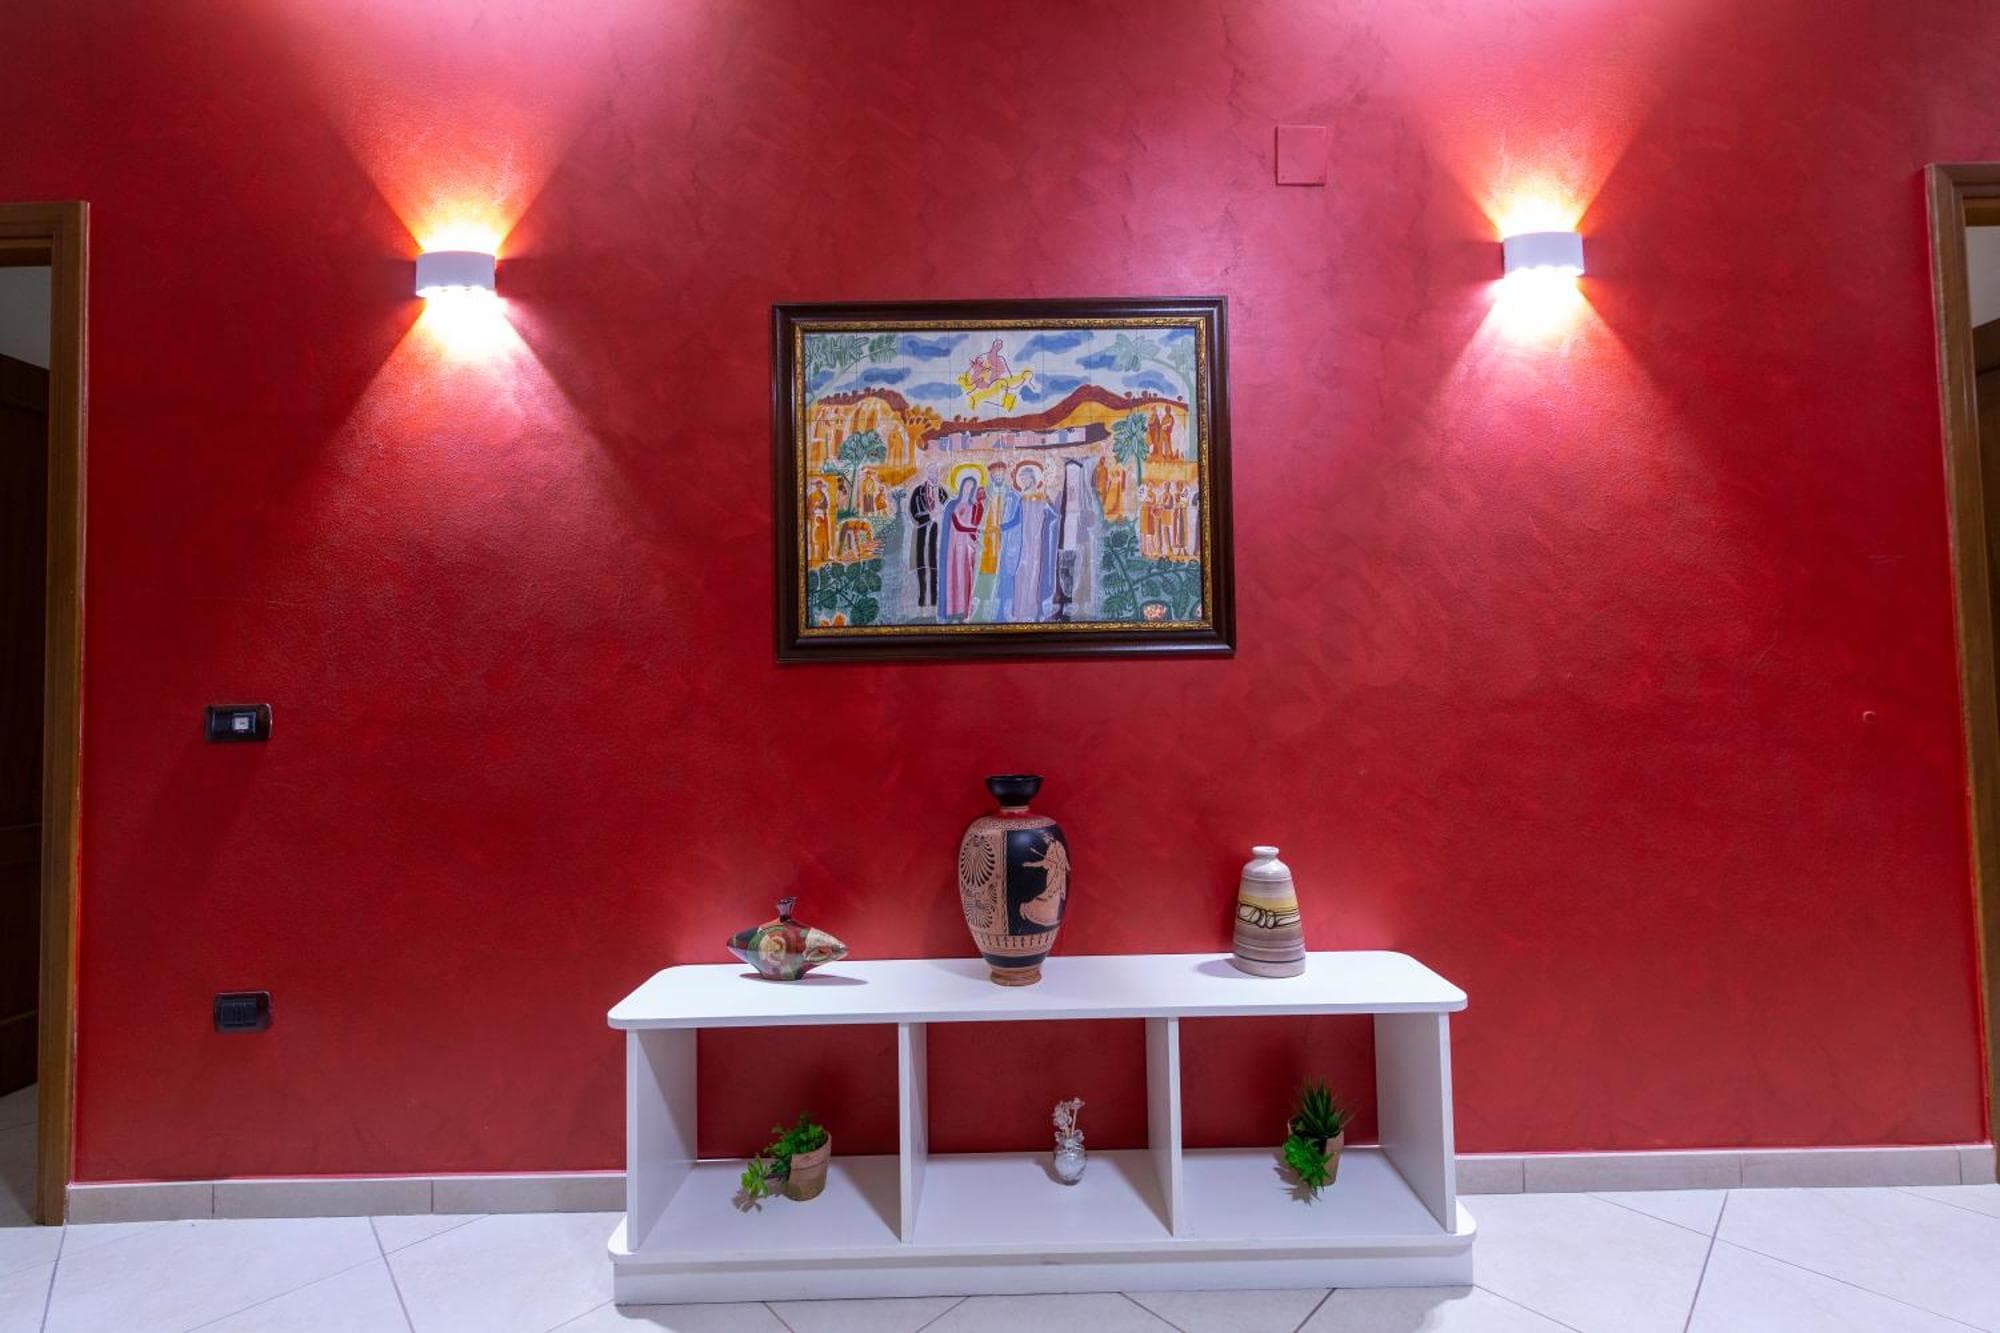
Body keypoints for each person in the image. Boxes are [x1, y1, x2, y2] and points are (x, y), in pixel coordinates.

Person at [941, 476, 985, 621]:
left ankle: (963, 611)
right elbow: (958, 525)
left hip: (967, 547)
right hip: (954, 546)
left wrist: (976, 539)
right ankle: (952, 611)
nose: (968, 488)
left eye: (971, 486)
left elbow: (974, 525)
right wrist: (975, 530)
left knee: (966, 577)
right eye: (966, 485)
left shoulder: (973, 506)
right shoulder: (953, 505)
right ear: (961, 487)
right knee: (954, 577)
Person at [908, 464, 945, 608]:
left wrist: (939, 517)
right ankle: (922, 598)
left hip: (937, 529)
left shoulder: (941, 491)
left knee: (934, 562)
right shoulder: (918, 491)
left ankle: (934, 598)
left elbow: (947, 509)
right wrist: (928, 517)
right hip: (922, 528)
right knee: (921, 561)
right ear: (927, 473)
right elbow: (913, 510)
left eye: (936, 472)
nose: (934, 474)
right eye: (931, 472)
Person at [992, 464, 1025, 617]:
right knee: (999, 574)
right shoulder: (997, 495)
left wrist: (1001, 527)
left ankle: (1007, 608)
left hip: (1011, 541)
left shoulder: (1016, 497)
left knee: (1008, 573)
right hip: (998, 541)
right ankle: (998, 609)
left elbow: (1018, 519)